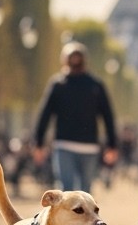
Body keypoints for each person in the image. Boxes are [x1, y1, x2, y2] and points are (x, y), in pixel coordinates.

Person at [32, 41, 119, 193]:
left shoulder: (58, 84)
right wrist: (112, 145)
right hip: (89, 147)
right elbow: (108, 117)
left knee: (66, 193)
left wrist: (38, 143)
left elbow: (44, 115)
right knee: (85, 193)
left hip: (64, 145)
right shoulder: (96, 85)